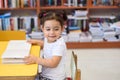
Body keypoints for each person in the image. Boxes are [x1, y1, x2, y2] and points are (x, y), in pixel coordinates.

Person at [24, 11, 68, 80]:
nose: (52, 32)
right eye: (48, 29)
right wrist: (37, 42)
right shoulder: (49, 39)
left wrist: (36, 59)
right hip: (46, 75)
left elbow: (53, 63)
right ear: (42, 28)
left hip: (54, 78)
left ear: (62, 28)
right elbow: (48, 45)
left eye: (56, 29)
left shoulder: (59, 45)